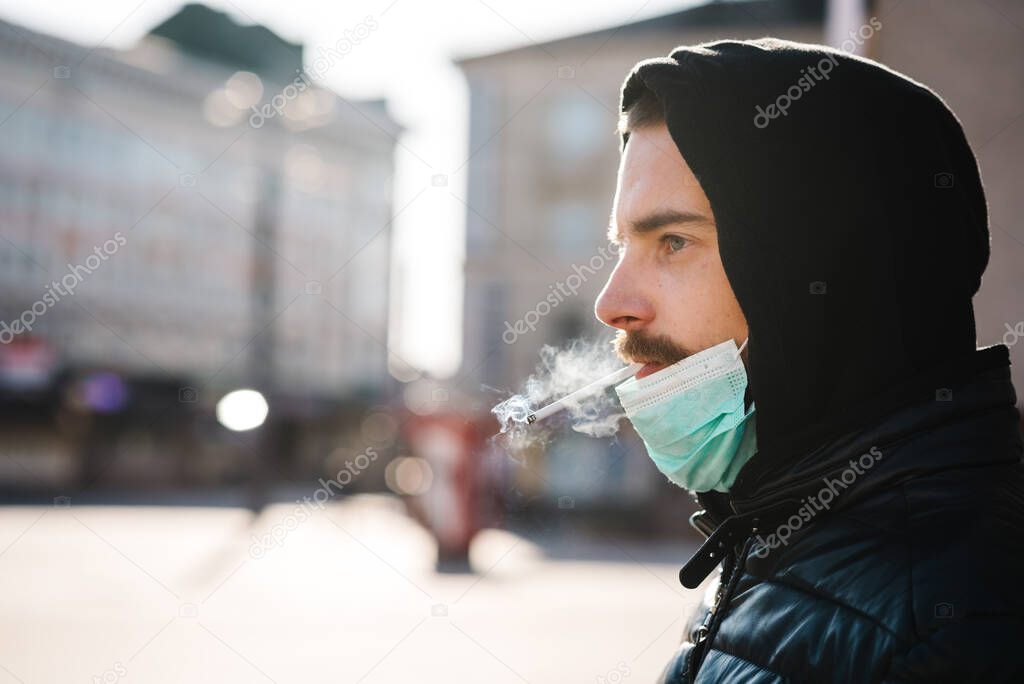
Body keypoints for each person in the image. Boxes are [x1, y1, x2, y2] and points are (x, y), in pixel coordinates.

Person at [596, 37, 1024, 682]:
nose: (611, 303)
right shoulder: (775, 540)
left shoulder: (953, 621)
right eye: (622, 246)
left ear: (824, 268)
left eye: (674, 241)